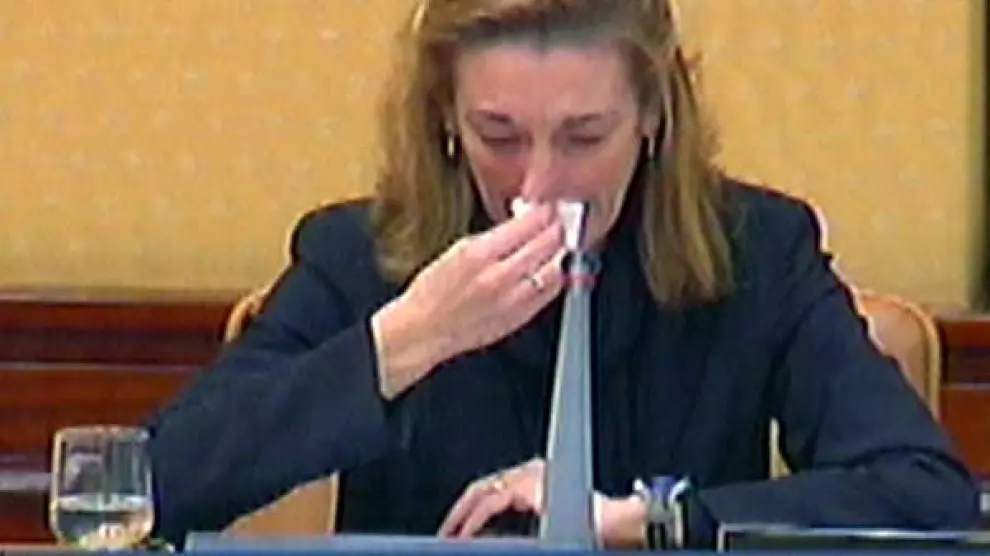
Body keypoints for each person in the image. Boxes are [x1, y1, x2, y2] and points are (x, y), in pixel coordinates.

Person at [146, 0, 980, 549]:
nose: (538, 183)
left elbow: (926, 496)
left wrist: (647, 520)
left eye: (584, 137)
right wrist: (402, 342)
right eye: (498, 136)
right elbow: (154, 488)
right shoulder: (357, 256)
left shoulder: (760, 251)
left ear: (652, 117)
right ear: (445, 121)